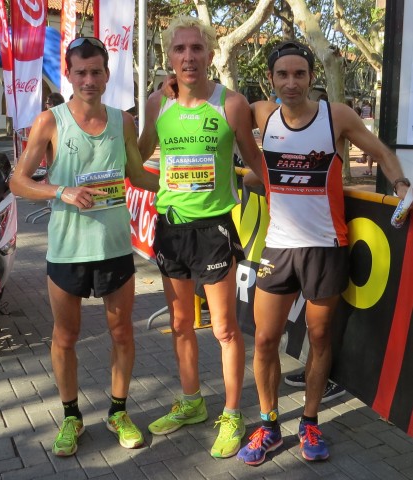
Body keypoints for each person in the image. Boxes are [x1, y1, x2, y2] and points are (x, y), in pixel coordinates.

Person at [236, 40, 410, 466]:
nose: (291, 82)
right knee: (263, 340)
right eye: (283, 75)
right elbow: (223, 105)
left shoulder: (338, 116)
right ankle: (269, 425)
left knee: (318, 337)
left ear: (312, 77)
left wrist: (403, 186)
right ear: (272, 79)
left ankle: (310, 421)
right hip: (279, 246)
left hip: (327, 247)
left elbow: (381, 151)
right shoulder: (263, 114)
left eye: (299, 74)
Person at [9, 36, 159, 457]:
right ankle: (71, 417)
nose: (89, 80)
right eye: (81, 73)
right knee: (65, 336)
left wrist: (178, 185)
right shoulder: (50, 121)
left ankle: (118, 411)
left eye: (97, 72)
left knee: (122, 332)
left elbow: (137, 174)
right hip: (67, 250)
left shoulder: (122, 121)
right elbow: (18, 181)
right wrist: (61, 192)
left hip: (114, 246)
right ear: (70, 76)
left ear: (107, 75)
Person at [137, 16, 263, 459]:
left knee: (225, 329)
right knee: (179, 324)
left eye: (197, 49)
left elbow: (254, 163)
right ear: (169, 57)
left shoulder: (231, 104)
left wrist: (278, 196)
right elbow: (139, 154)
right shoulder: (158, 103)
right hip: (171, 228)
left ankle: (232, 413)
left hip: (213, 230)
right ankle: (191, 402)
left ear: (211, 55)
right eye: (180, 50)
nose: (188, 57)